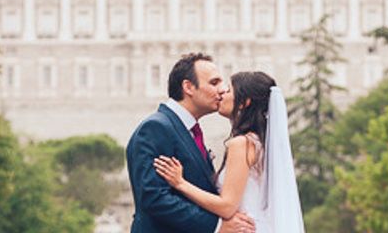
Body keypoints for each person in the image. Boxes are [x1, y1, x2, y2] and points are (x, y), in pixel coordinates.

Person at [154, 71, 305, 233]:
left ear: (244, 102)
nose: (221, 95)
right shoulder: (259, 143)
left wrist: (180, 183)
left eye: (228, 91)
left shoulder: (242, 144)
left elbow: (227, 206)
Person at [126, 53, 257, 233]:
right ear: (188, 87)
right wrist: (216, 226)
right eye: (214, 83)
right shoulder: (156, 128)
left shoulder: (188, 129)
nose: (222, 90)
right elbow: (154, 198)